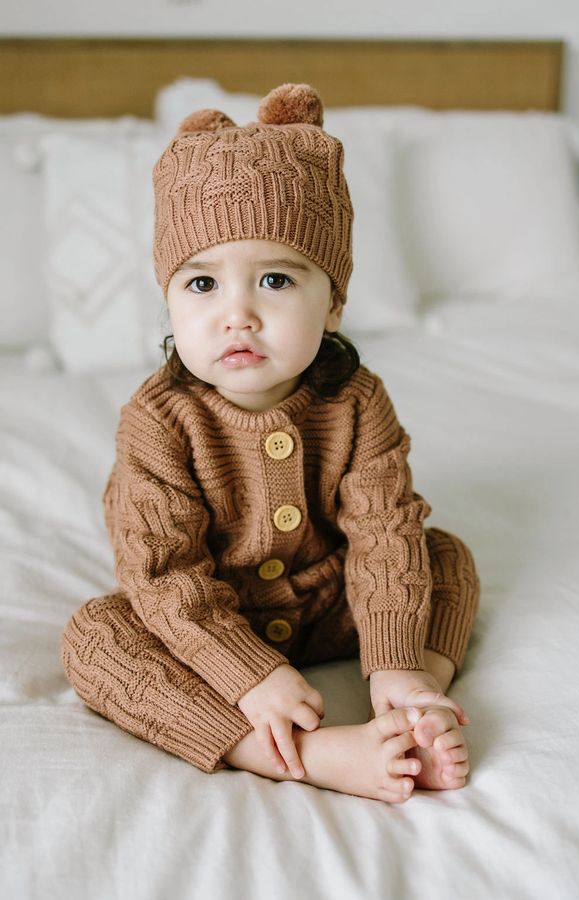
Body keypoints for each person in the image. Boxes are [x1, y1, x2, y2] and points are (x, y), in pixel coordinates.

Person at [61, 83, 480, 804]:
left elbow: (382, 533)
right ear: (169, 300)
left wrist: (395, 658)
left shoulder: (357, 401)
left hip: (330, 603)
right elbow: (164, 577)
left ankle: (409, 703)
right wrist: (247, 673)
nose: (237, 315)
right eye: (201, 284)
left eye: (276, 278)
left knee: (438, 555)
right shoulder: (157, 421)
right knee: (95, 638)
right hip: (207, 623)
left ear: (335, 301)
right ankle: (296, 753)